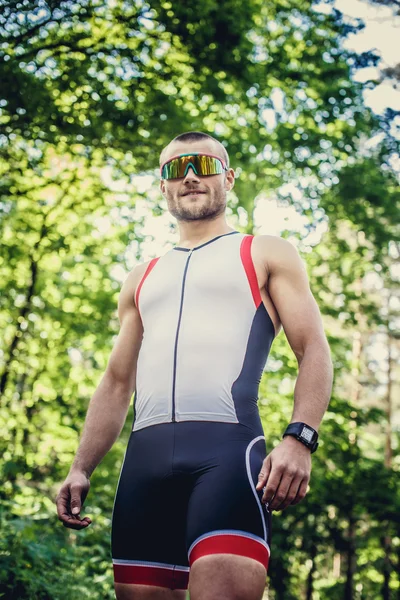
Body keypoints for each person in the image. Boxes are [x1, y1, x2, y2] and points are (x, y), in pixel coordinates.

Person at [56, 131, 333, 600]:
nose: (188, 176)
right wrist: (82, 466)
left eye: (203, 165)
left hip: (227, 457)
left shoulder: (265, 252)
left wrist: (299, 438)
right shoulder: (141, 277)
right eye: (174, 169)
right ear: (161, 187)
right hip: (143, 467)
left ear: (228, 179)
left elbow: (314, 350)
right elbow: (117, 381)